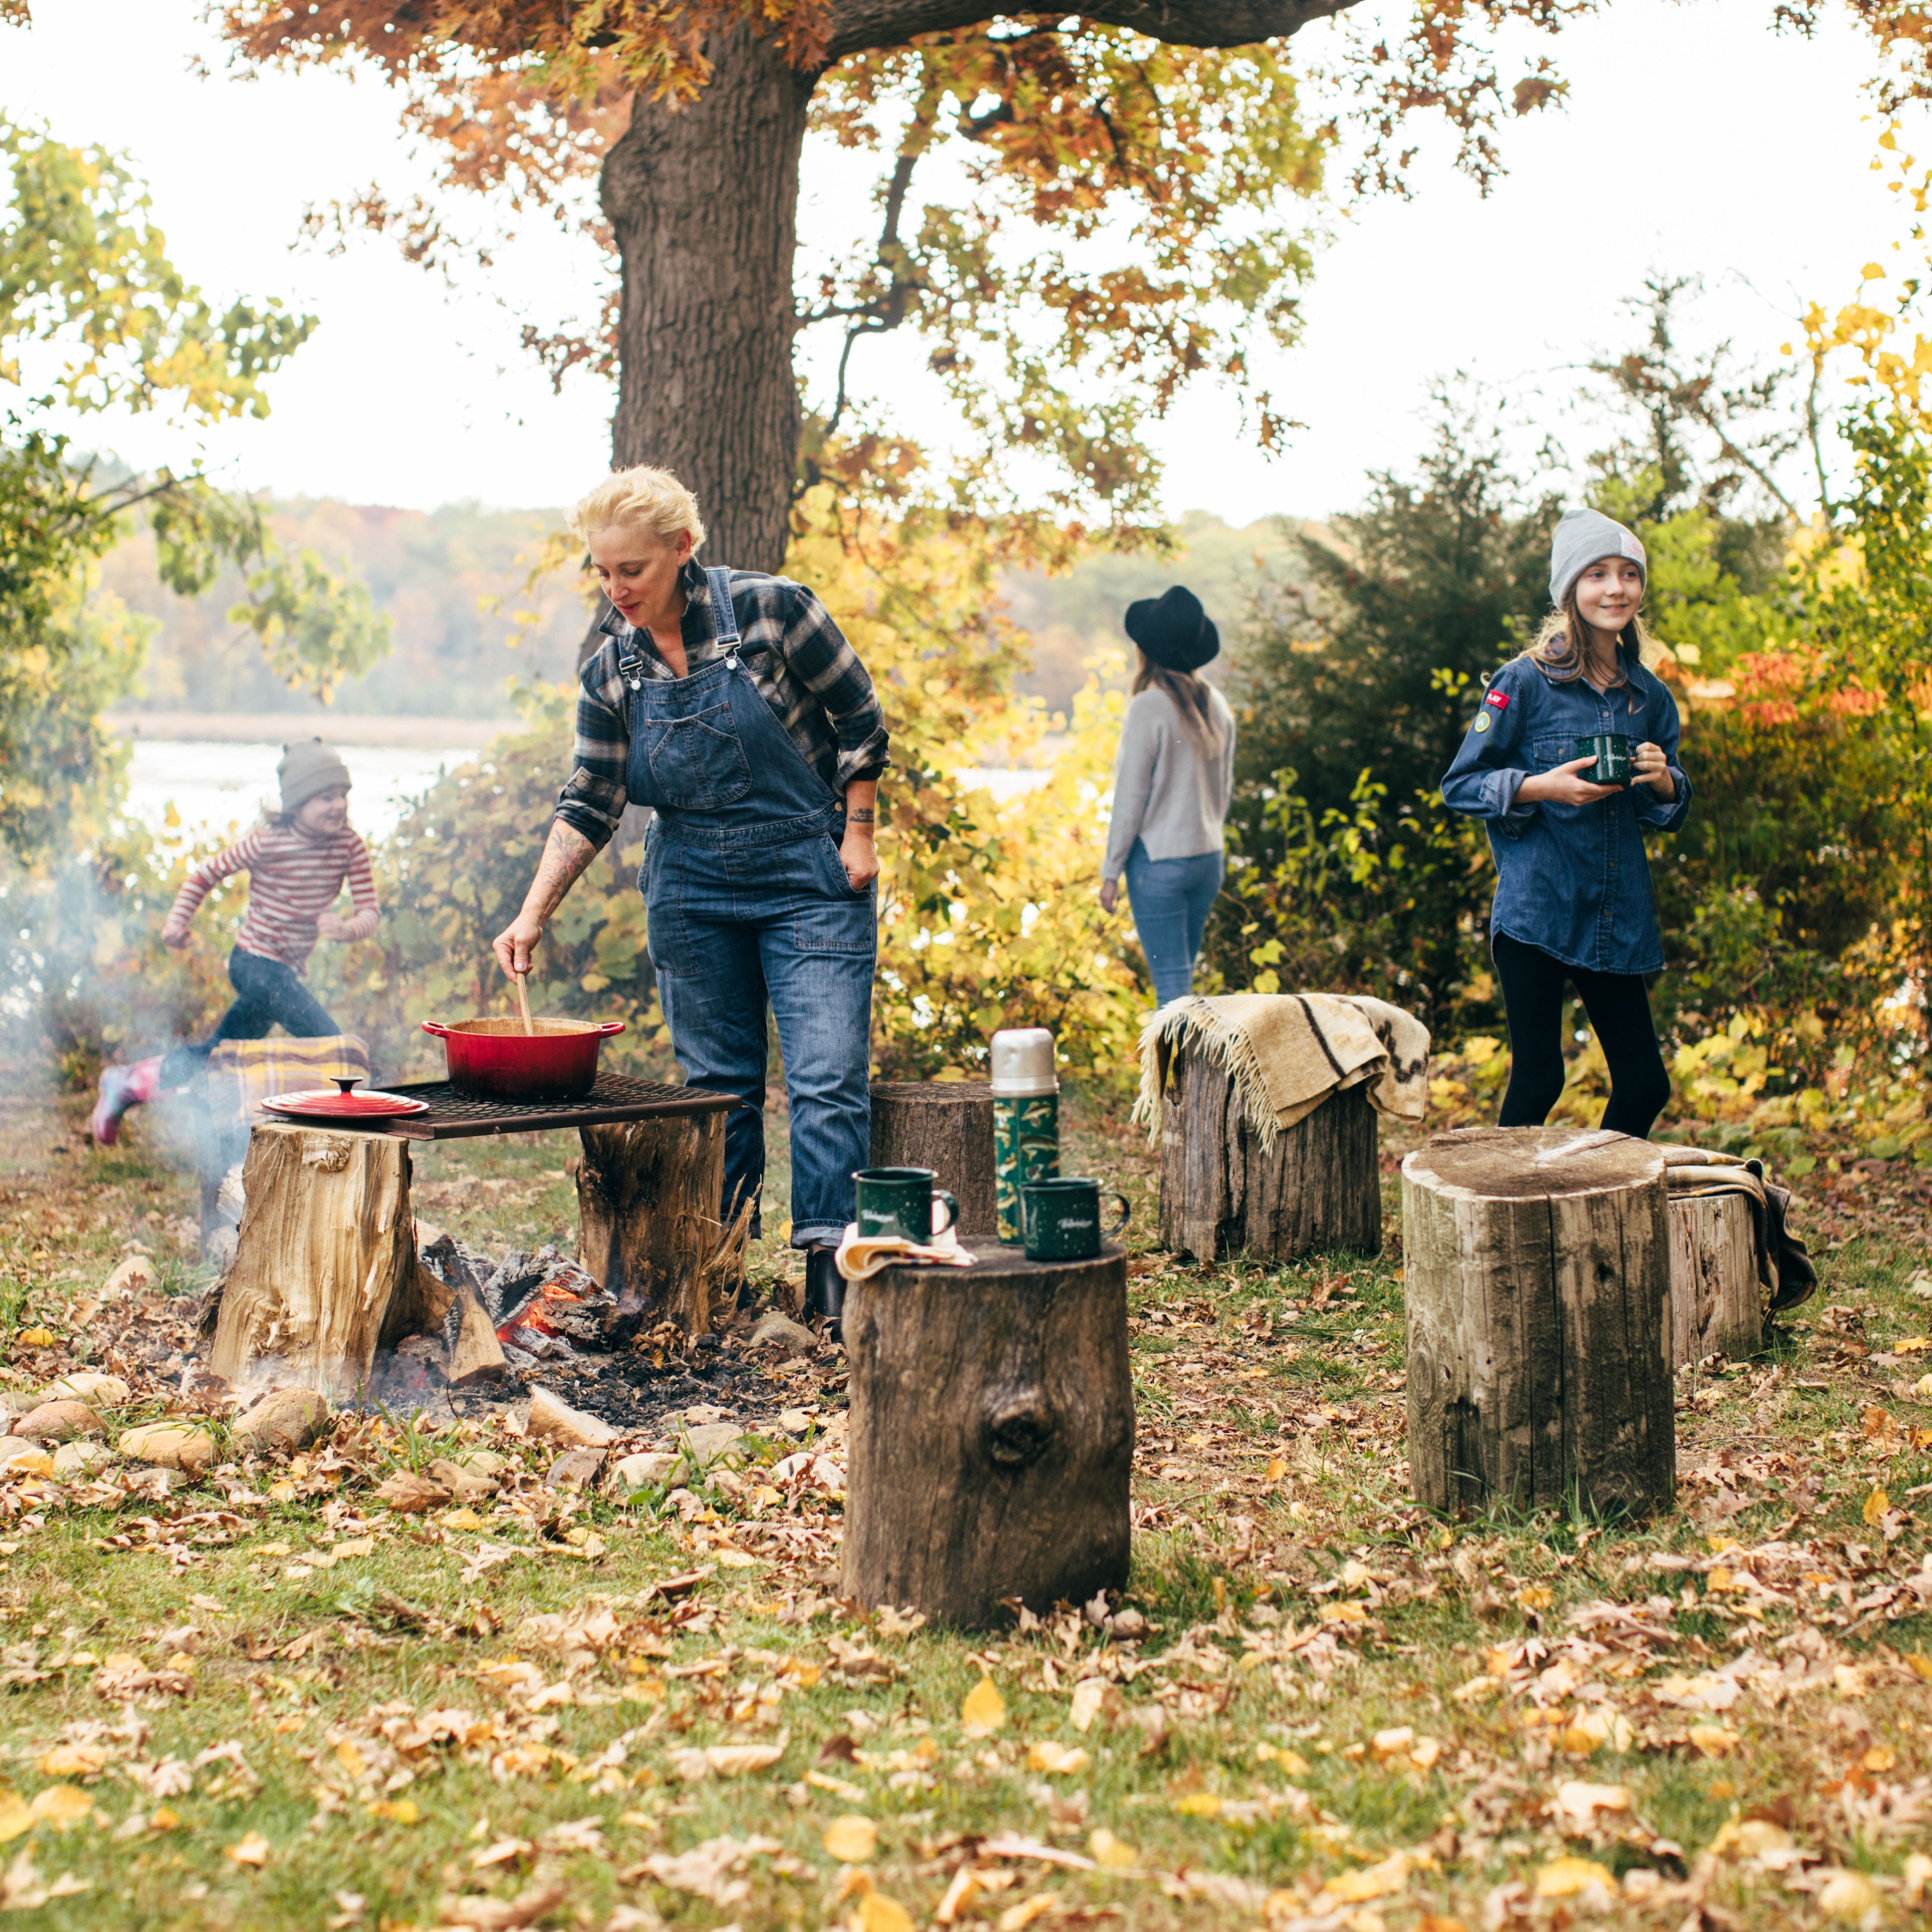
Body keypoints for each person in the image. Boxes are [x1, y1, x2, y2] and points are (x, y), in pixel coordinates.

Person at [492, 466, 887, 1333]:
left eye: (631, 569)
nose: (616, 588)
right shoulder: (612, 669)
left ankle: (831, 1287)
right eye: (603, 571)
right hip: (693, 888)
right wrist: (532, 913)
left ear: (683, 547)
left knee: (825, 1079)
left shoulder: (775, 612)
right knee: (719, 1092)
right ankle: (722, 1276)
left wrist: (857, 833)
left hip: (810, 876)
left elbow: (862, 720)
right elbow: (592, 798)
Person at [1440, 507, 1692, 1138]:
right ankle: (1500, 1195)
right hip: (1538, 909)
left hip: (1615, 913)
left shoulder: (1649, 697)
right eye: (1598, 574)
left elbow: (1665, 806)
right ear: (1570, 589)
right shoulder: (1523, 682)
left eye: (1629, 574)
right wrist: (1541, 787)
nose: (1616, 589)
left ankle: (1600, 1185)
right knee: (1539, 1079)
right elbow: (1460, 785)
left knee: (1644, 1084)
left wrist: (1664, 780)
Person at [90, 739, 379, 1145]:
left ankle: (127, 1083)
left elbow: (369, 911)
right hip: (252, 962)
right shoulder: (268, 842)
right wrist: (177, 923)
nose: (339, 805)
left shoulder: (349, 846)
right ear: (297, 803)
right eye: (326, 797)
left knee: (217, 1054)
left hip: (283, 971)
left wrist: (347, 929)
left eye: (343, 795)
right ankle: (349, 1131)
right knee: (332, 1045)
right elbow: (206, 873)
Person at [1099, 585, 1236, 1007]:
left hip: (1159, 863)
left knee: (1173, 993)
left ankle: (1176, 1056)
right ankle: (1190, 1053)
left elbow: (1130, 798)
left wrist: (1110, 872)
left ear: (1148, 649)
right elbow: (1224, 791)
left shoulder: (1149, 707)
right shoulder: (1218, 706)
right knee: (1184, 982)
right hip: (1208, 859)